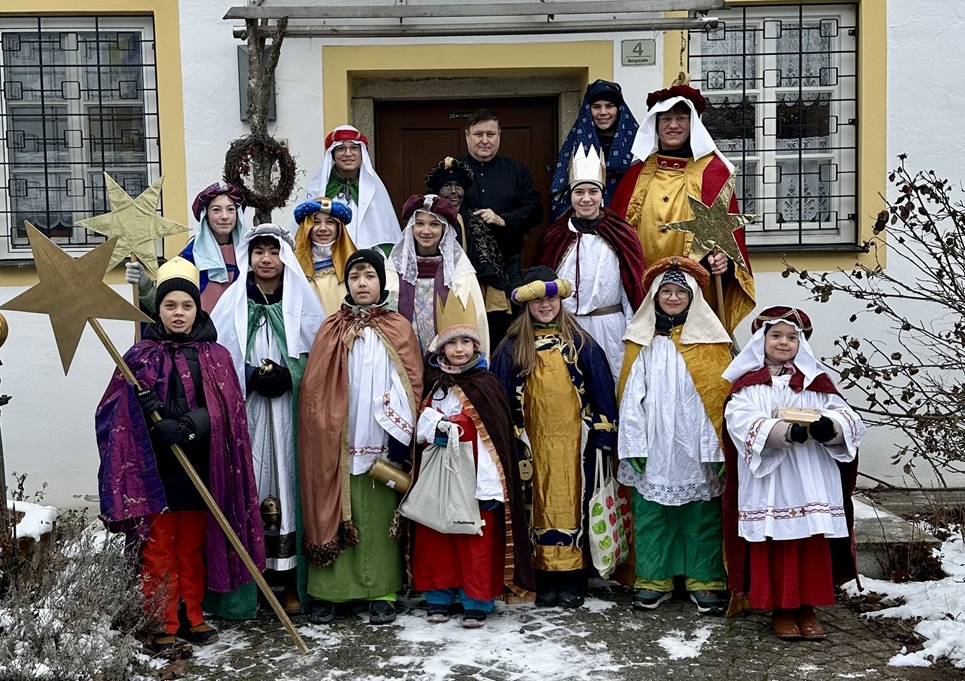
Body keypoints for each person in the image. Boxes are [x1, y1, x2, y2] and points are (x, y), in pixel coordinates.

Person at [95, 257, 264, 652]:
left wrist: (187, 425)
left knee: (191, 545)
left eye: (186, 306)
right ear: (158, 310)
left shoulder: (215, 355)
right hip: (156, 471)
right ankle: (161, 622)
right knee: (158, 548)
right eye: (170, 305)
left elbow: (228, 409)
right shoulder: (139, 356)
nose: (178, 313)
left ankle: (191, 616)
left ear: (196, 310)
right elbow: (110, 413)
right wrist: (140, 405)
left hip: (199, 466)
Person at [722, 307, 865, 640]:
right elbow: (739, 421)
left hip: (811, 477)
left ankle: (807, 608)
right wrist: (785, 432)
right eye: (776, 335)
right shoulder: (749, 387)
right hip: (771, 479)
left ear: (800, 343)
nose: (783, 342)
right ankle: (782, 610)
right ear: (761, 341)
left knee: (810, 540)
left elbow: (850, 418)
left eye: (791, 337)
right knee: (776, 538)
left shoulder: (816, 383)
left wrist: (830, 427)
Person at [297, 249, 423, 626]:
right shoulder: (331, 328)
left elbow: (410, 382)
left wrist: (399, 434)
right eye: (355, 277)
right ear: (347, 284)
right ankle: (331, 592)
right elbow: (315, 387)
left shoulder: (399, 327)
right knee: (331, 506)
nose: (362, 283)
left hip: (382, 436)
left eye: (369, 276)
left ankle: (381, 591)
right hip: (338, 437)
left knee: (378, 513)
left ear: (381, 282)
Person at [208, 223, 324, 618]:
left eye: (273, 252)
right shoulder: (233, 302)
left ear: (284, 257)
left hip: (290, 412)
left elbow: (319, 356)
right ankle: (253, 582)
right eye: (259, 252)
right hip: (249, 410)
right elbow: (217, 357)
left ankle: (289, 581)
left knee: (288, 486)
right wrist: (247, 376)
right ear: (249, 257)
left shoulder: (302, 301)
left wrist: (291, 375)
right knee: (252, 484)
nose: (266, 259)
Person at [490, 267, 618, 609]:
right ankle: (543, 576)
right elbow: (499, 395)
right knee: (536, 504)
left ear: (560, 300)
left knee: (575, 503)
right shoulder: (512, 347)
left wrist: (605, 432)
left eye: (551, 299)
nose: (545, 306)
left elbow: (602, 388)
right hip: (531, 445)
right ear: (527, 305)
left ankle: (574, 576)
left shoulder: (581, 343)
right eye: (537, 301)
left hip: (576, 443)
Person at [616, 256, 733, 616]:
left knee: (702, 514)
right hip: (655, 443)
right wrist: (633, 444)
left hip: (697, 445)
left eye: (680, 292)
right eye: (665, 291)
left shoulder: (713, 345)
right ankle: (654, 578)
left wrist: (718, 448)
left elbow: (717, 400)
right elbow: (631, 398)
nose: (672, 297)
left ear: (693, 296)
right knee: (652, 513)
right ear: (654, 296)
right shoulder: (642, 342)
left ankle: (705, 579)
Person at [412, 313, 535, 628]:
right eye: (451, 343)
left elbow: (496, 441)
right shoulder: (433, 382)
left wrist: (493, 488)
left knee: (475, 540)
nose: (459, 349)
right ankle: (438, 596)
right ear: (441, 349)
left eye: (465, 342)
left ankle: (476, 600)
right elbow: (419, 426)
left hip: (478, 480)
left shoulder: (487, 383)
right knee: (437, 538)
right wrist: (435, 428)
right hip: (439, 478)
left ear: (476, 347)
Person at [610, 75, 755, 335]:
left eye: (681, 118)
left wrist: (725, 263)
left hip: (698, 291)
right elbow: (616, 237)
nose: (673, 125)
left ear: (693, 124)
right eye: (665, 119)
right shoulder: (636, 174)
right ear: (655, 125)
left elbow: (730, 239)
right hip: (643, 290)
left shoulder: (713, 172)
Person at [535, 143, 646, 383]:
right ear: (570, 195)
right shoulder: (556, 235)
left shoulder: (621, 233)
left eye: (593, 192)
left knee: (612, 383)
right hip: (566, 327)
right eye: (579, 192)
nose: (586, 199)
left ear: (602, 194)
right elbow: (542, 289)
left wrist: (633, 329)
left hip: (611, 329)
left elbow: (632, 287)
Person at [387, 193, 489, 356]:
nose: (426, 231)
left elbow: (475, 318)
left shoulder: (458, 268)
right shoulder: (396, 266)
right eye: (419, 224)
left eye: (434, 224)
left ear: (444, 229)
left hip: (449, 357)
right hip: (404, 353)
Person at [126, 181, 247, 313]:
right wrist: (144, 284)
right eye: (216, 210)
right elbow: (166, 305)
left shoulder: (250, 254)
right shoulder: (189, 258)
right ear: (206, 216)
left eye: (230, 209)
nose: (224, 216)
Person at [458, 108, 543, 291]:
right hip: (462, 266)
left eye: (490, 134)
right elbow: (435, 211)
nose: (485, 140)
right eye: (478, 134)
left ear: (499, 135)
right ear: (467, 136)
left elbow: (535, 211)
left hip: (508, 265)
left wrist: (503, 220)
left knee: (513, 310)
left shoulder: (517, 170)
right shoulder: (452, 171)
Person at [425, 156, 512, 322]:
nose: (453, 191)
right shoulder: (427, 221)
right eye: (447, 186)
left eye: (458, 186)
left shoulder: (476, 223)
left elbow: (490, 261)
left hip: (472, 287)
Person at [550, 79, 639, 220]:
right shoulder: (576, 142)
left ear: (619, 109)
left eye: (609, 106)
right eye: (596, 107)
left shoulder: (636, 142)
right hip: (585, 215)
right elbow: (561, 187)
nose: (603, 112)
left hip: (627, 210)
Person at [304, 125, 400, 251]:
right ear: (333, 154)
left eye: (354, 148)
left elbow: (384, 232)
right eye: (341, 149)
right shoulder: (319, 189)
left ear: (362, 153)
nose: (348, 154)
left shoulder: (374, 189)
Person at [292, 196, 358, 315]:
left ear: (339, 227)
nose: (323, 228)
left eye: (330, 222)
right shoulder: (294, 265)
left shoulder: (354, 264)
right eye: (316, 222)